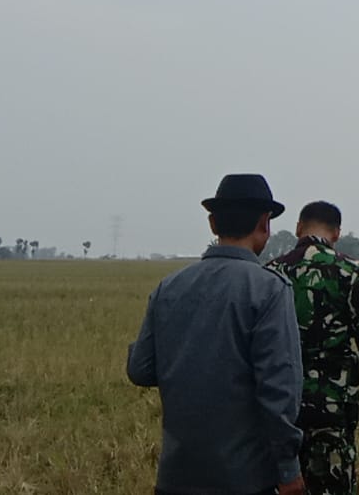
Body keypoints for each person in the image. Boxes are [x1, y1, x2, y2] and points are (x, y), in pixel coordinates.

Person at [127, 174, 305, 495]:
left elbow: (140, 370)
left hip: (177, 476)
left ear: (212, 224)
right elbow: (279, 389)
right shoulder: (269, 289)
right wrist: (288, 468)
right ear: (265, 223)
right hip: (246, 478)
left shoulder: (169, 287)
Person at [267, 201, 359, 495]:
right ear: (337, 233)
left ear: (298, 228)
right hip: (333, 406)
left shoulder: (272, 272)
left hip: (280, 404)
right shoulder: (350, 271)